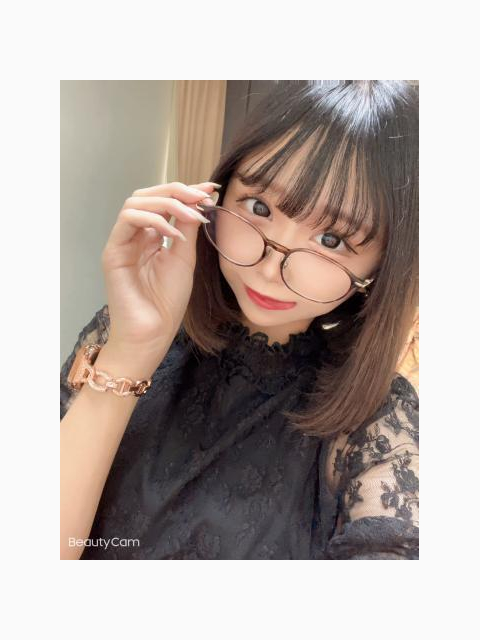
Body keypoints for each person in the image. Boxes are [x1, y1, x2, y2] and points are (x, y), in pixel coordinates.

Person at [60, 80, 419, 560]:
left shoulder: (377, 423)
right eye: (259, 207)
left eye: (331, 240)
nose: (271, 268)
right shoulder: (120, 330)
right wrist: (133, 351)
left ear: (381, 265)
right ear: (219, 193)